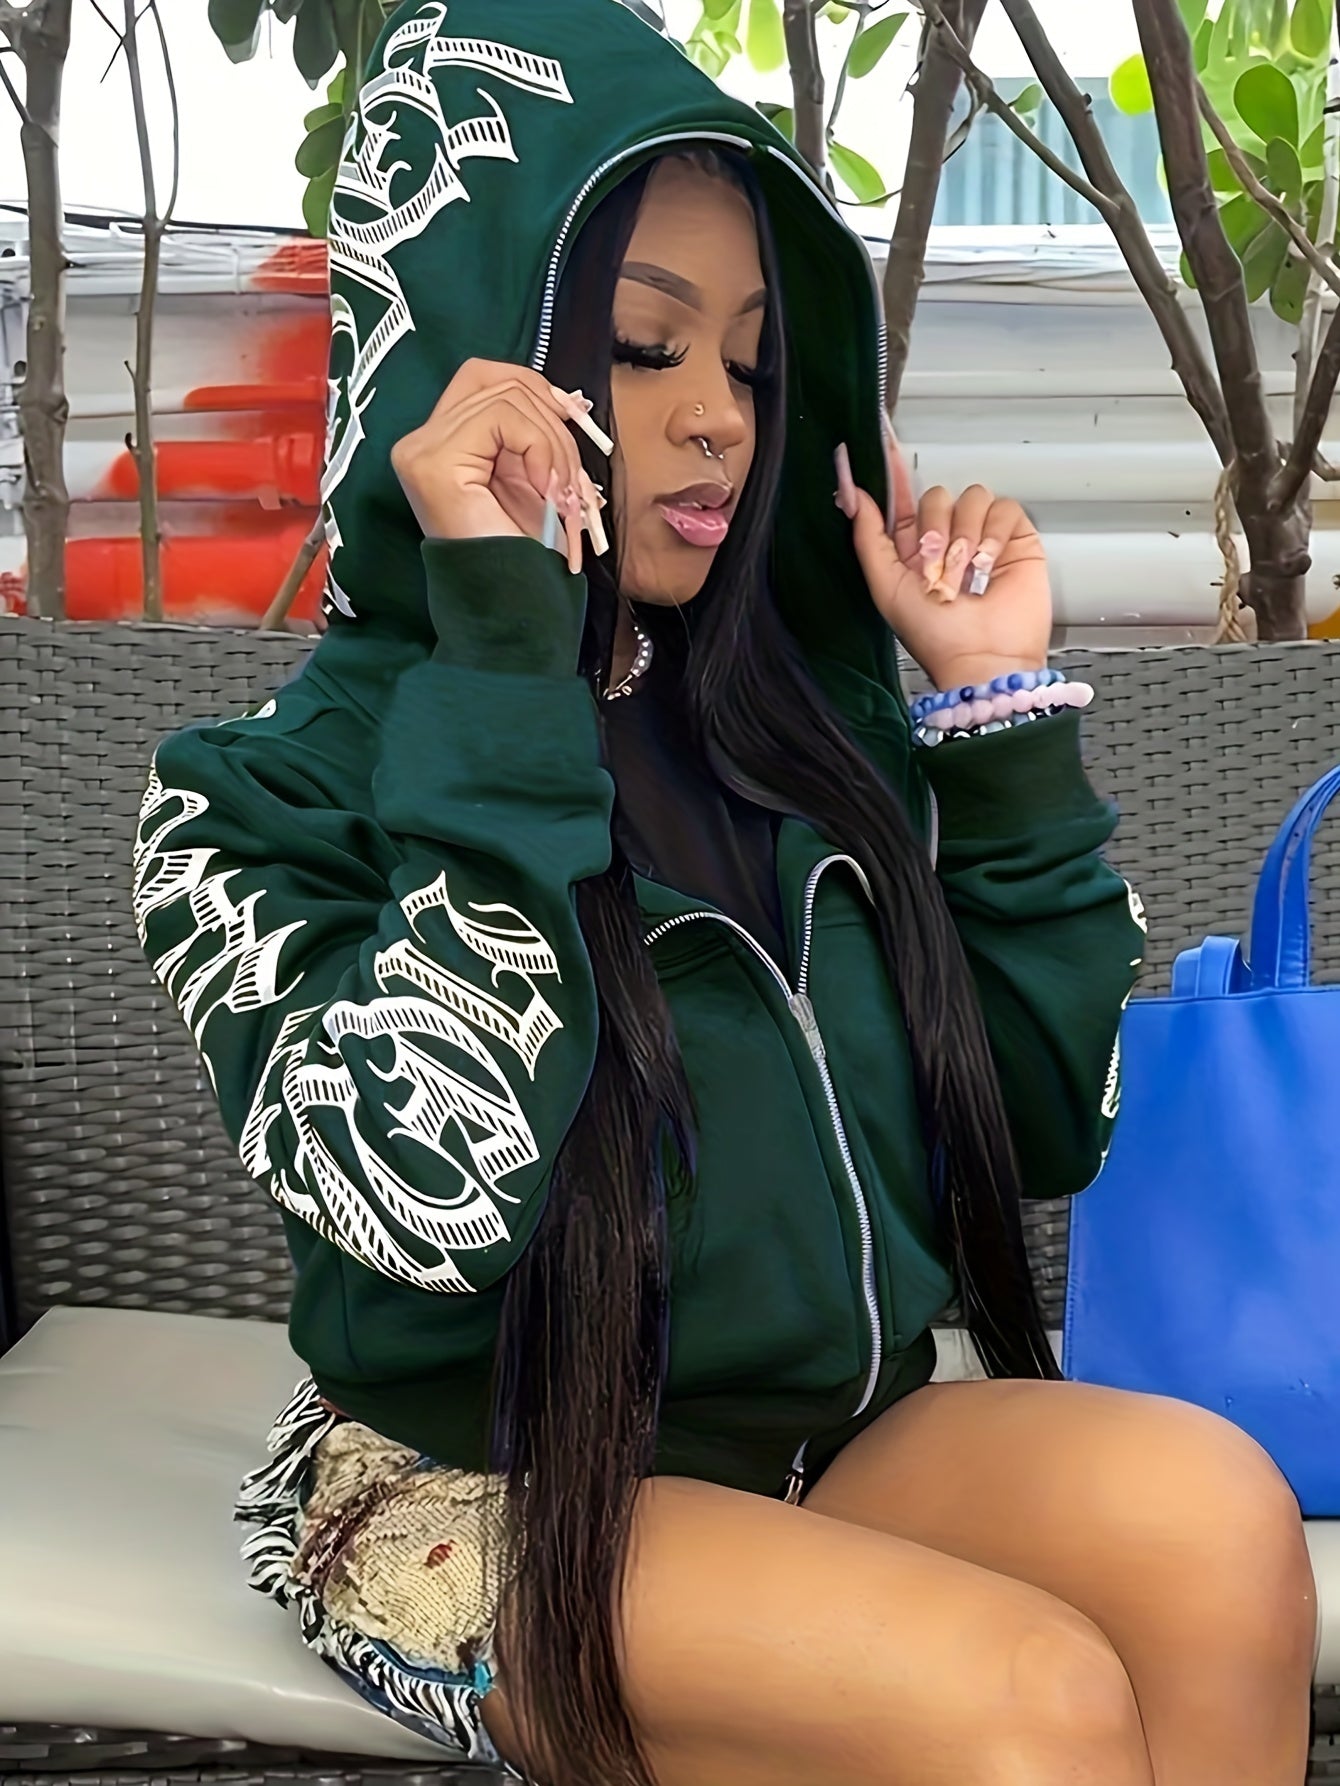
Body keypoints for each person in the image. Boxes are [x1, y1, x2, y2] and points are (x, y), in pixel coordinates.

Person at [132, 3, 1316, 1783]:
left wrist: (991, 718)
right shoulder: (253, 797)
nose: (716, 419)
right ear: (477, 361)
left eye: (754, 365)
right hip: (485, 1486)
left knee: (1218, 1525)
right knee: (1030, 1702)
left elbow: (1043, 1128)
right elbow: (427, 1201)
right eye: (641, 347)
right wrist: (506, 661)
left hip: (821, 1438)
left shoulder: (793, 736)